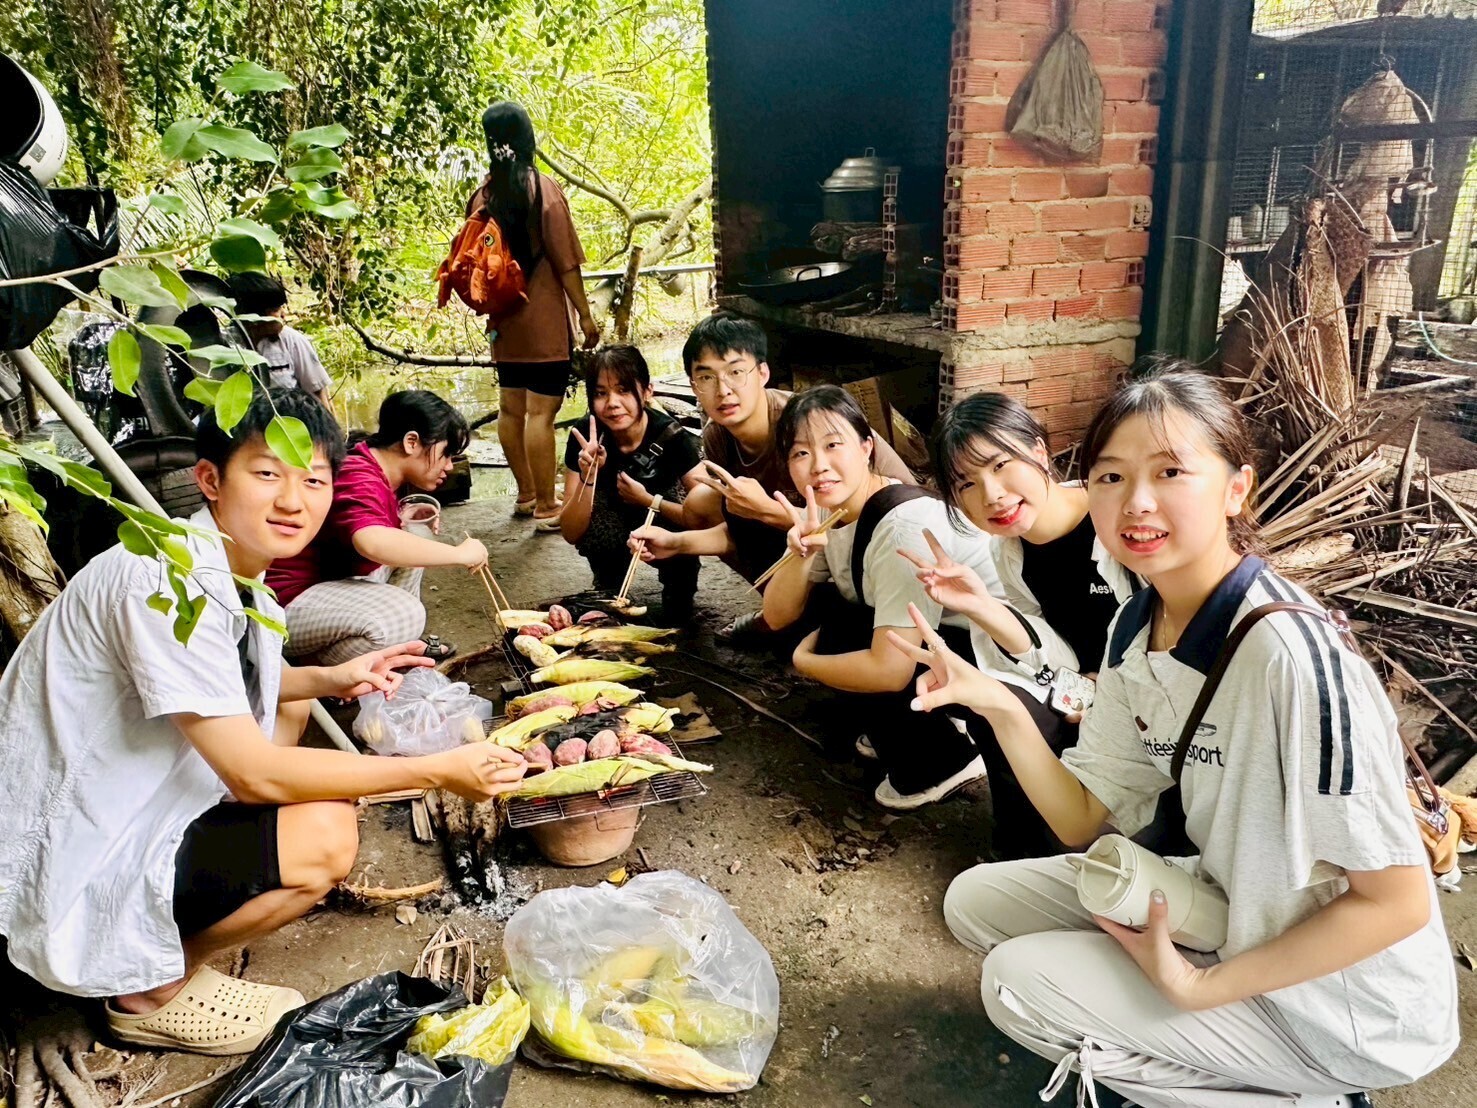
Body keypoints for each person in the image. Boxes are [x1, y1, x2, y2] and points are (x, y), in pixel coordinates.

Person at [889, 365, 1457, 1107]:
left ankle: (1304, 1094)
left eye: (1169, 472)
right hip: (1229, 905)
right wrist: (995, 702)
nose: (1136, 502)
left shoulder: (1289, 658)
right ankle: (1182, 1025)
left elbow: (1396, 903)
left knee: (1016, 985)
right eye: (1112, 477)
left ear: (1235, 488)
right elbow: (1080, 816)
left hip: (1345, 1006)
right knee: (974, 903)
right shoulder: (1136, 624)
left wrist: (1196, 987)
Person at [0, 387, 526, 1056]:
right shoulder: (167, 584)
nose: (293, 501)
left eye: (313, 480)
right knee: (326, 834)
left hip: (129, 789)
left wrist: (332, 678)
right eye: (268, 473)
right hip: (79, 841)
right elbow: (254, 773)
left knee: (292, 702)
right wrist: (436, 770)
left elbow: (231, 684)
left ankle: (183, 914)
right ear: (210, 479)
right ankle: (150, 991)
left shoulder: (229, 574)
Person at [912, 391, 1139, 858]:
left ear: (1039, 450)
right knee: (985, 699)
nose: (991, 495)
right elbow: (1049, 653)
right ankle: (1019, 847)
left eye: (1000, 465)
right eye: (966, 484)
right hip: (1079, 687)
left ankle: (1054, 844)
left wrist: (1107, 691)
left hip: (1145, 699)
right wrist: (981, 605)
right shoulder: (1009, 550)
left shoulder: (1117, 523)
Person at [759, 386, 1003, 809]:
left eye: (833, 445)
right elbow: (777, 615)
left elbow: (890, 671)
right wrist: (801, 555)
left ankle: (943, 761)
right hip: (943, 638)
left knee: (841, 635)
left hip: (999, 658)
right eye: (800, 453)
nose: (818, 465)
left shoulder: (901, 528)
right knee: (829, 610)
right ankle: (917, 726)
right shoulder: (831, 513)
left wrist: (806, 663)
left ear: (866, 447)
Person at [631, 314, 914, 640]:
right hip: (809, 538)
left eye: (736, 372)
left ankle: (818, 617)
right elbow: (743, 531)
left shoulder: (806, 425)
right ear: (694, 386)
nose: (724, 390)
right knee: (706, 502)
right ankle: (780, 611)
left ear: (763, 373)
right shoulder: (718, 437)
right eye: (707, 377)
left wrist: (765, 510)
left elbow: (861, 516)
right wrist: (677, 543)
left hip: (875, 535)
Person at [267, 390, 486, 663]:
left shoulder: (378, 470)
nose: (450, 466)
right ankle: (318, 668)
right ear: (411, 442)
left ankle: (397, 646)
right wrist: (459, 554)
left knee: (413, 536)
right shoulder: (358, 474)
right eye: (446, 454)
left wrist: (401, 515)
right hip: (286, 606)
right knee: (405, 615)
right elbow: (370, 541)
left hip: (325, 589)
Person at [471, 101, 600, 531]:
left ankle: (526, 494)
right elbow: (567, 263)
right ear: (527, 137)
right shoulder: (543, 191)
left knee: (511, 410)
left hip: (503, 322)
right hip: (543, 323)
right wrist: (585, 316)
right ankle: (548, 504)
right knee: (541, 414)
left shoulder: (483, 195)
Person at [560, 344, 702, 622]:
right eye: (601, 393)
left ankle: (680, 588)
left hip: (660, 516)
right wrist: (588, 476)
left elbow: (704, 516)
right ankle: (608, 583)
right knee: (598, 520)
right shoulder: (585, 436)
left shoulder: (673, 437)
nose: (612, 403)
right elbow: (570, 532)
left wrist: (650, 501)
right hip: (611, 521)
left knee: (680, 609)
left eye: (623, 390)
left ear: (647, 391)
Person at [227, 273, 334, 418]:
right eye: (276, 310)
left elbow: (318, 393)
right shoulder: (226, 345)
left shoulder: (292, 341)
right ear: (253, 315)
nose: (284, 314)